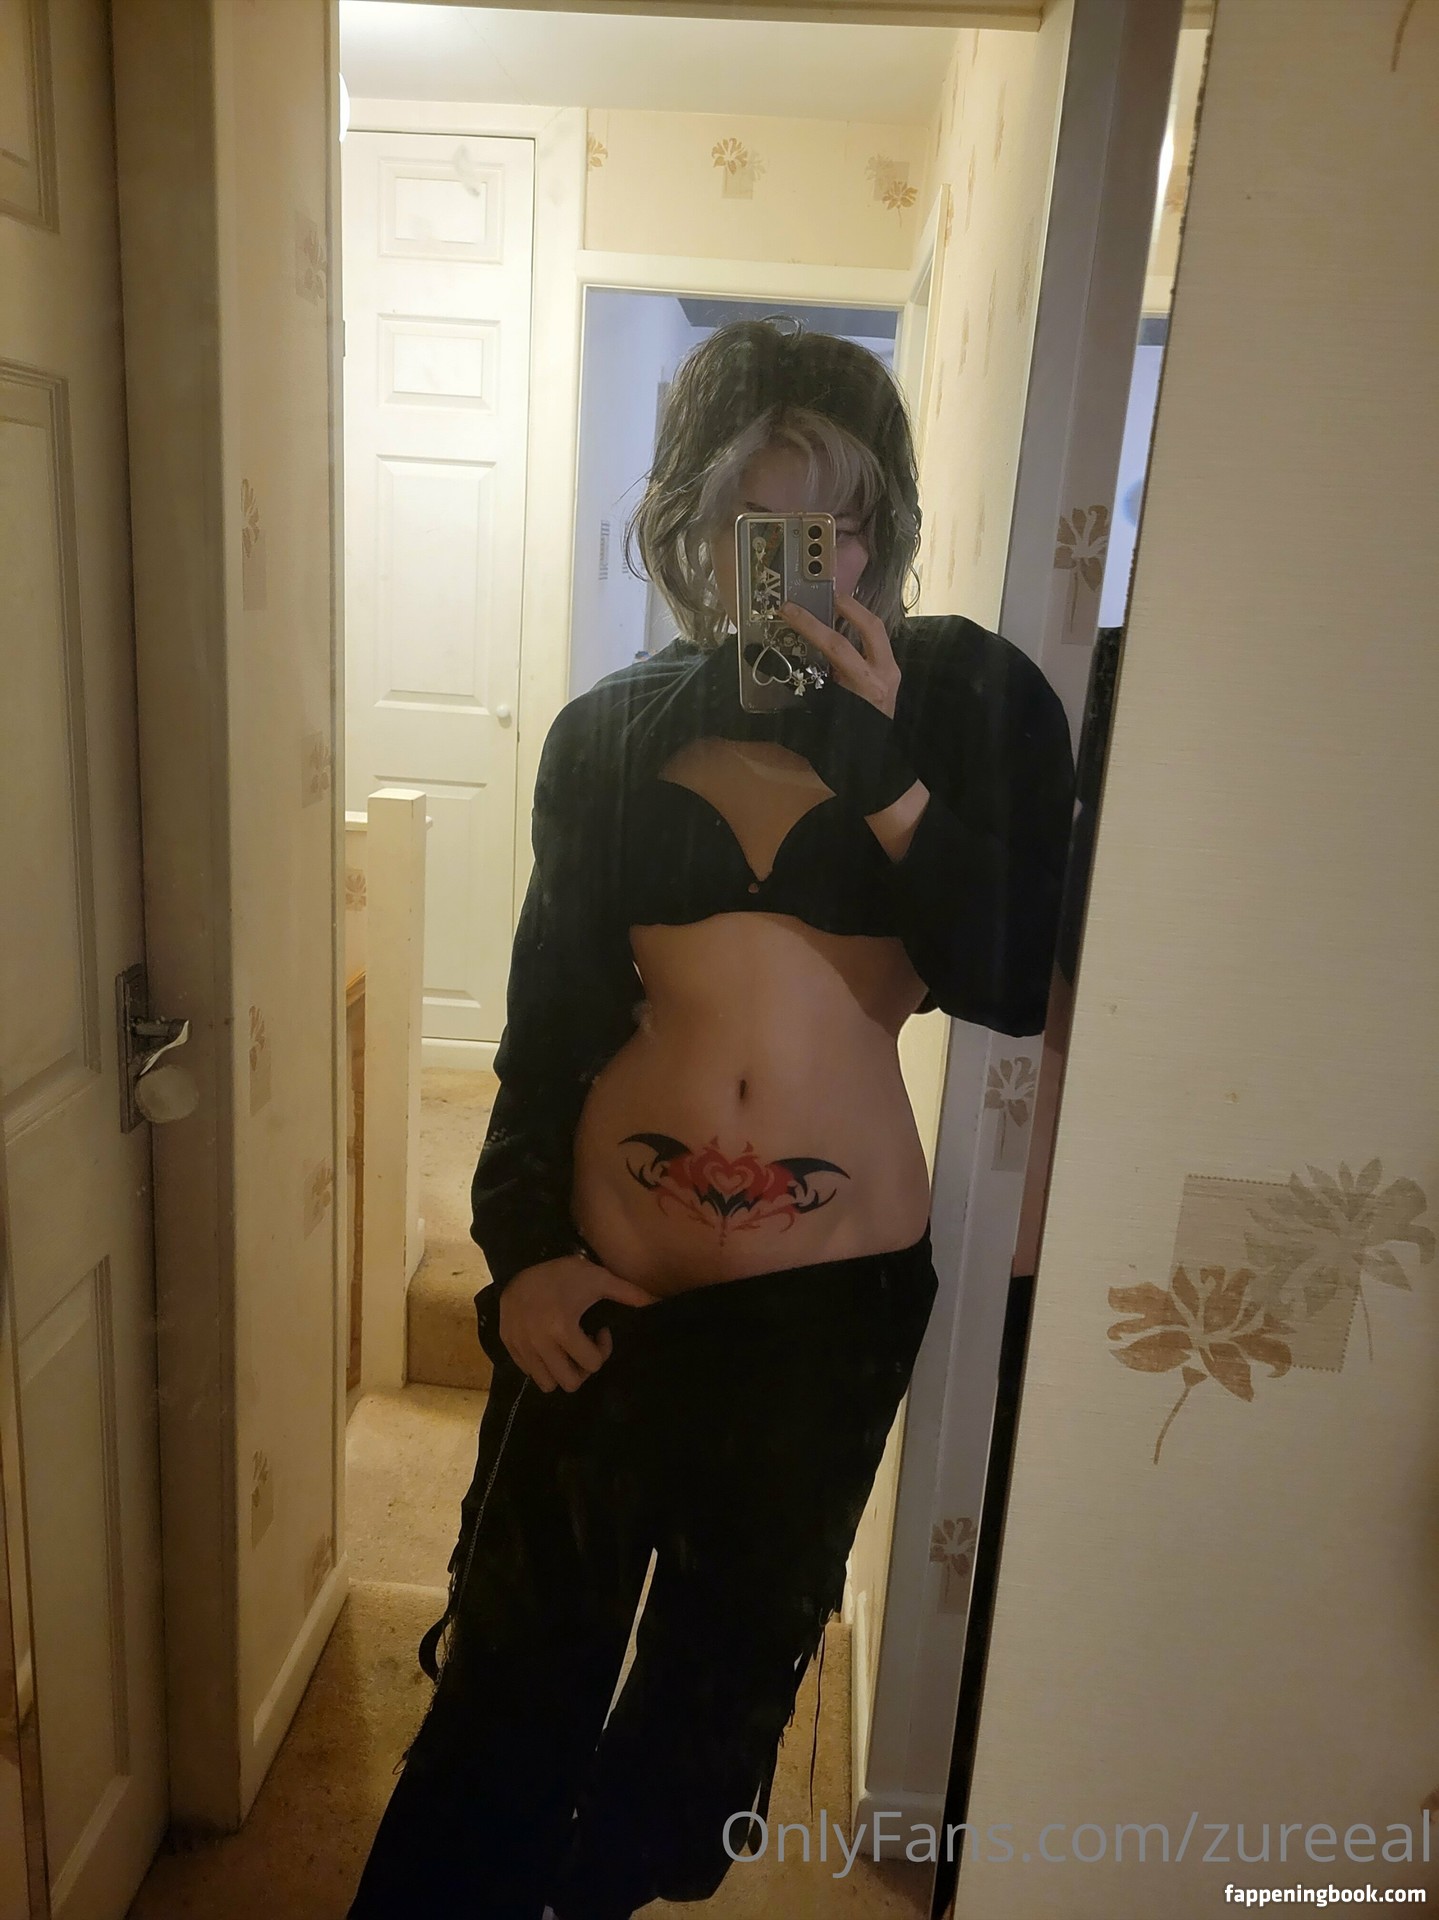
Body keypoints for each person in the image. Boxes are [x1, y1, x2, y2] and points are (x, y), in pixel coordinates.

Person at [347, 319, 1076, 1920]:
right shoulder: (613, 734)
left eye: (839, 524)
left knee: (711, 1705)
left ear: (883, 525)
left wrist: (884, 777)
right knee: (507, 1687)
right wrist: (522, 1255)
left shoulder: (968, 705)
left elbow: (1013, 978)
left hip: (823, 1319)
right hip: (602, 1287)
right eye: (762, 524)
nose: (809, 564)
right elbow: (550, 1028)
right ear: (695, 526)